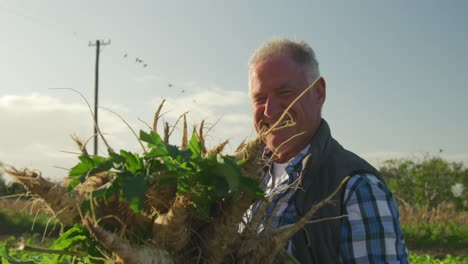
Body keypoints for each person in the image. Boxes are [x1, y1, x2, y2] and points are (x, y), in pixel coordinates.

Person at [247, 38, 409, 263]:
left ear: (319, 92)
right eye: (260, 98)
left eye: (285, 92)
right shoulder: (243, 180)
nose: (270, 110)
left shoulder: (356, 189)